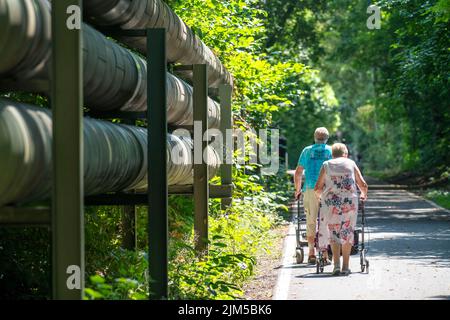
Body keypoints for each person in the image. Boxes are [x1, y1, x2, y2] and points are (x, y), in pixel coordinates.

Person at [314, 143, 368, 276]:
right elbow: (363, 185)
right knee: (347, 232)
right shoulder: (351, 163)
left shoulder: (326, 164)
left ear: (332, 154)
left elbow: (317, 188)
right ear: (346, 153)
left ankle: (336, 266)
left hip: (330, 203)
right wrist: (363, 195)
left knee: (334, 232)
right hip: (349, 203)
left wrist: (321, 198)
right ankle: (345, 267)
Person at [294, 127, 332, 264]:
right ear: (327, 138)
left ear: (314, 137)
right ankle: (325, 253)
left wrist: (297, 190)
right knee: (326, 221)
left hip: (310, 188)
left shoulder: (307, 151)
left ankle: (311, 252)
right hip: (327, 190)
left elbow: (298, 173)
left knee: (311, 220)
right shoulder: (331, 151)